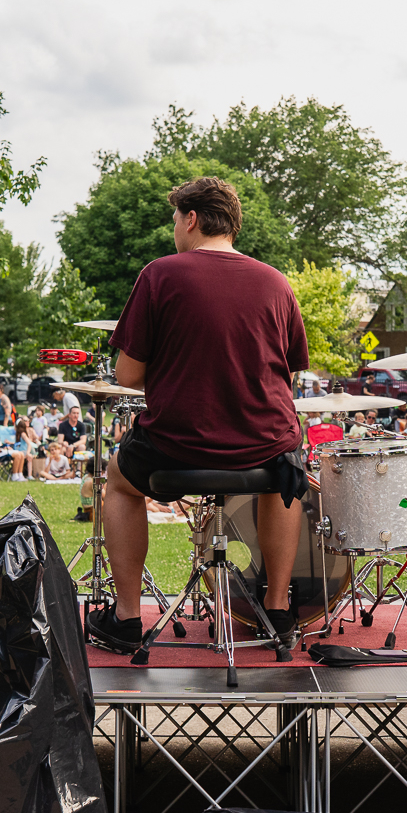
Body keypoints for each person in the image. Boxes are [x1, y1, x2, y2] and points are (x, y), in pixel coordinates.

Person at [89, 176, 310, 655]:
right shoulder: (275, 281)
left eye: (175, 220)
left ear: (191, 219)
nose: (174, 230)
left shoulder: (159, 275)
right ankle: (277, 608)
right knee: (285, 473)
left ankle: (127, 617)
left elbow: (127, 375)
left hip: (179, 444)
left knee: (118, 481)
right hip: (262, 444)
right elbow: (287, 375)